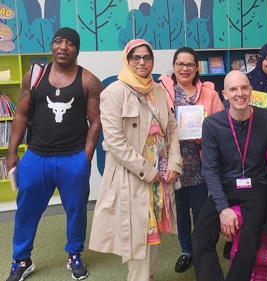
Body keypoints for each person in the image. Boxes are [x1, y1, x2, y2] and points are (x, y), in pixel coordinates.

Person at [5, 27, 103, 281]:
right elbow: (22, 115)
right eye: (58, 41)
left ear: (77, 50)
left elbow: (95, 122)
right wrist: (12, 152)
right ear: (51, 46)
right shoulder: (34, 76)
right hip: (36, 157)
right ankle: (22, 259)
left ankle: (74, 254)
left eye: (70, 43)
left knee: (76, 209)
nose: (63, 46)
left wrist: (86, 159)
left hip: (73, 159)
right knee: (26, 210)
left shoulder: (89, 81)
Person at [89, 39, 182, 281]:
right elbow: (115, 142)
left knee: (153, 236)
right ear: (127, 60)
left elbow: (172, 130)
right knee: (136, 240)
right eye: (136, 58)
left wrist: (174, 165)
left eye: (147, 57)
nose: (142, 62)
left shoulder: (158, 91)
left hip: (160, 177)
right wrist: (148, 172)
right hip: (132, 178)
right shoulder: (113, 93)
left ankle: (148, 277)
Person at [191, 70, 267, 281]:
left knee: (250, 239)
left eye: (244, 87)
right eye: (233, 89)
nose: (239, 93)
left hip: (257, 184)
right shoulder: (212, 124)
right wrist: (223, 207)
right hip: (225, 185)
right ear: (225, 94)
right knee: (200, 238)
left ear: (251, 90)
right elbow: (210, 170)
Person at [158, 47, 224, 273]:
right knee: (181, 211)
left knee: (202, 211)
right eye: (180, 64)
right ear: (174, 66)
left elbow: (221, 126)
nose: (185, 69)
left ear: (197, 68)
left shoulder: (210, 93)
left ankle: (202, 249)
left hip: (200, 162)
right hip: (173, 163)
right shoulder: (161, 91)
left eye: (189, 65)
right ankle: (186, 250)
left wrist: (204, 138)